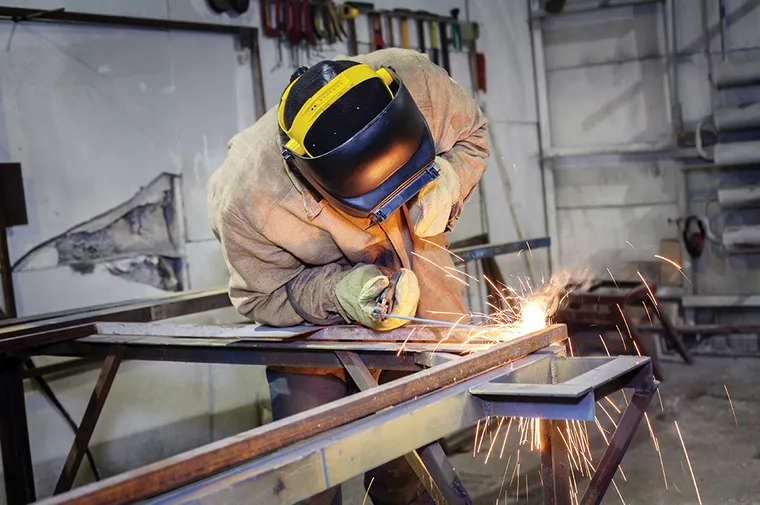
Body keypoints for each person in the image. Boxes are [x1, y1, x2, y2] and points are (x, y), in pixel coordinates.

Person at [207, 48, 489, 505]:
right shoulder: (245, 198)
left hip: (409, 310)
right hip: (313, 334)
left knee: (405, 465)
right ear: (308, 177)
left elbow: (472, 134)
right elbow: (263, 298)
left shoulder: (417, 80)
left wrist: (448, 183)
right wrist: (338, 292)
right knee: (311, 471)